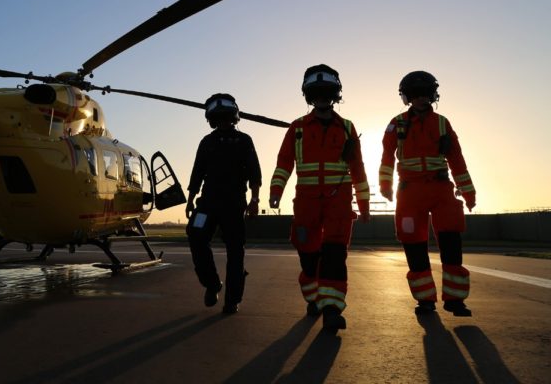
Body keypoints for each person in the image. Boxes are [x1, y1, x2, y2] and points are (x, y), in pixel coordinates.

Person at [269, 64, 370, 331]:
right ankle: (313, 297)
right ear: (309, 96)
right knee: (309, 258)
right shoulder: (297, 129)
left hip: (339, 204)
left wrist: (364, 203)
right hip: (306, 205)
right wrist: (276, 191)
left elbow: (358, 168)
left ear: (335, 95)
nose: (323, 97)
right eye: (317, 93)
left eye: (327, 92)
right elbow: (284, 162)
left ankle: (332, 310)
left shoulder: (347, 128)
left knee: (335, 255)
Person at [379, 71, 475, 317]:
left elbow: (457, 159)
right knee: (414, 244)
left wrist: (468, 192)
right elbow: (387, 157)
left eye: (426, 94)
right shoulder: (396, 124)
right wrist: (385, 185)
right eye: (416, 95)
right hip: (410, 192)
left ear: (433, 95)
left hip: (441, 189)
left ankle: (455, 300)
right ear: (407, 97)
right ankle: (425, 300)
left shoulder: (442, 123)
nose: (421, 99)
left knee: (451, 242)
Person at [185, 93, 262, 315]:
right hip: (207, 204)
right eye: (219, 119)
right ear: (212, 120)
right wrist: (190, 200)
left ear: (234, 118)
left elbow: (254, 173)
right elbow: (197, 173)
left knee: (235, 251)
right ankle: (212, 283)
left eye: (226, 118)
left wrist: (254, 200)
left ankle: (232, 300)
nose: (223, 123)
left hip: (234, 205)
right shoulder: (207, 142)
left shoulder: (244, 141)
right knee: (195, 234)